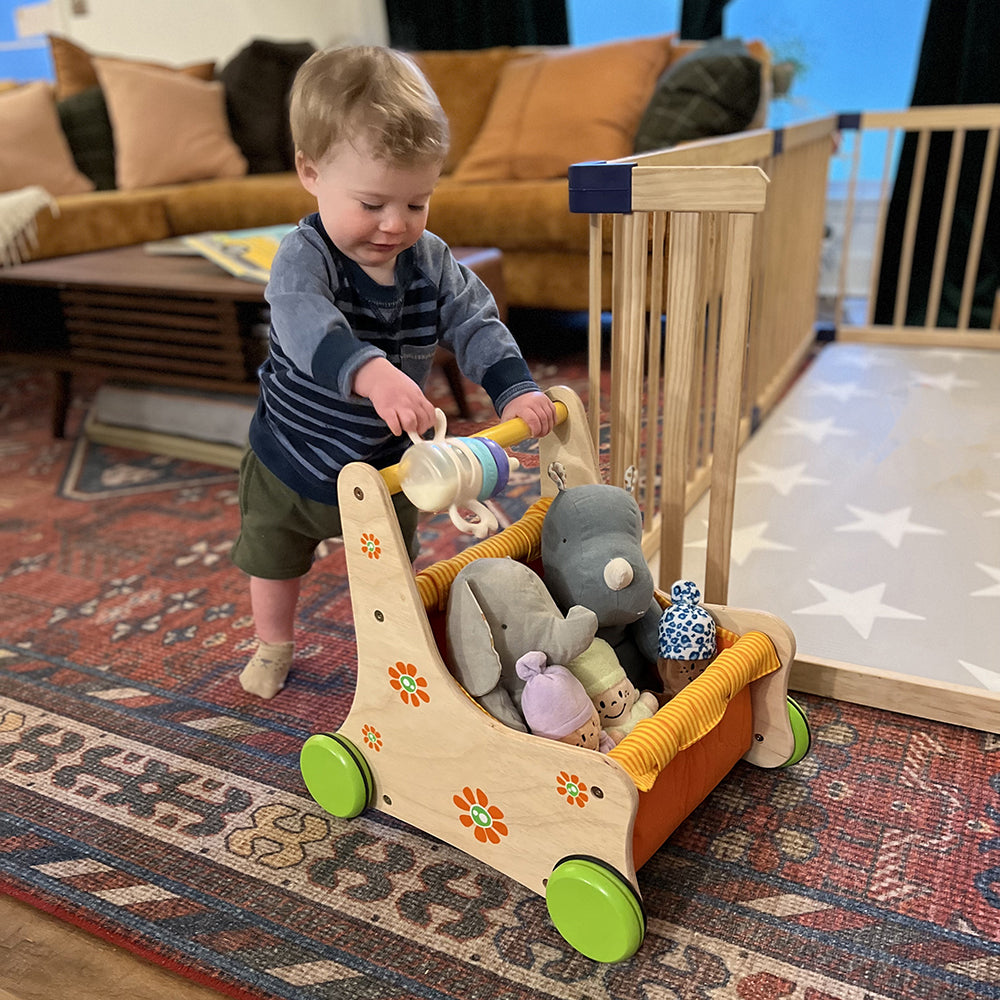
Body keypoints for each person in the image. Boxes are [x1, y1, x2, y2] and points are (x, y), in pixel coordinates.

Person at [230, 45, 557, 699]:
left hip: (386, 467)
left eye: (417, 203)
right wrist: (373, 374)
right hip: (291, 458)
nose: (395, 224)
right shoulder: (301, 258)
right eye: (374, 202)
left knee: (389, 569)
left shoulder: (430, 261)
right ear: (310, 171)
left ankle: (395, 654)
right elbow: (305, 327)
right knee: (273, 558)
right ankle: (273, 643)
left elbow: (476, 322)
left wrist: (514, 386)